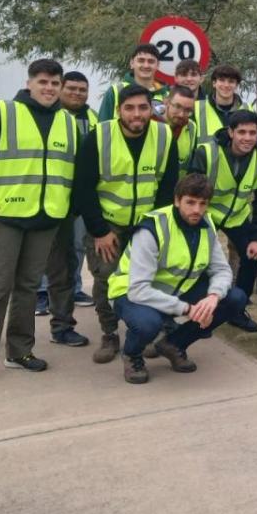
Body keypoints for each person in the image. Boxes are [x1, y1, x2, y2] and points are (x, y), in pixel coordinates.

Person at [0, 59, 78, 386]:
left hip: (45, 220)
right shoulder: (4, 113)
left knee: (28, 288)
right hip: (6, 218)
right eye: (43, 82)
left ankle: (20, 351)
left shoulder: (67, 122)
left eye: (55, 83)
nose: (49, 88)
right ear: (29, 83)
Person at [109, 173, 250, 384]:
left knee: (235, 298)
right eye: (190, 202)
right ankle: (132, 355)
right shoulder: (152, 228)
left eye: (203, 204)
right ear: (177, 200)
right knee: (148, 324)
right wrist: (187, 309)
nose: (197, 210)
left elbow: (222, 270)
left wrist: (213, 297)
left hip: (175, 290)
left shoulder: (206, 225)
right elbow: (138, 289)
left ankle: (174, 344)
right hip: (130, 293)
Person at [74, 84, 178, 364]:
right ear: (119, 110)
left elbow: (168, 188)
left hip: (146, 226)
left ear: (151, 109)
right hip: (108, 226)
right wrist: (99, 230)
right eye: (129, 108)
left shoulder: (164, 135)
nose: (137, 114)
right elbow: (83, 188)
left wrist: (155, 229)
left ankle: (141, 333)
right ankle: (110, 334)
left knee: (148, 280)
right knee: (106, 279)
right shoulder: (100, 136)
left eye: (143, 107)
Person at [189, 109, 257, 331]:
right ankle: (200, 308)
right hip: (206, 216)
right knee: (199, 260)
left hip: (237, 215)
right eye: (241, 132)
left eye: (252, 133)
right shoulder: (206, 152)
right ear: (230, 132)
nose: (247, 138)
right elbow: (192, 191)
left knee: (252, 255)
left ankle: (237, 310)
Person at [41, 70, 98, 347]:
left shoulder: (90, 120)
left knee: (65, 267)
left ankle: (62, 327)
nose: (76, 93)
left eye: (82, 89)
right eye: (71, 88)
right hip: (24, 209)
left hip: (67, 209)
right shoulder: (42, 117)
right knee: (5, 277)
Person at [98, 43, 170, 121]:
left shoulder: (167, 95)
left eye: (151, 61)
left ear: (157, 65)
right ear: (132, 63)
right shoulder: (115, 91)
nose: (146, 65)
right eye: (141, 61)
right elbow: (103, 127)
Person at [195, 63, 251, 145]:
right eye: (222, 80)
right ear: (214, 83)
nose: (226, 85)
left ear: (236, 85)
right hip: (204, 158)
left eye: (231, 81)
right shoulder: (196, 108)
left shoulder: (248, 109)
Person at [163, 85, 199, 171]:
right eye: (177, 107)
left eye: (188, 110)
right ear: (166, 102)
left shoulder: (191, 127)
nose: (181, 114)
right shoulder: (151, 123)